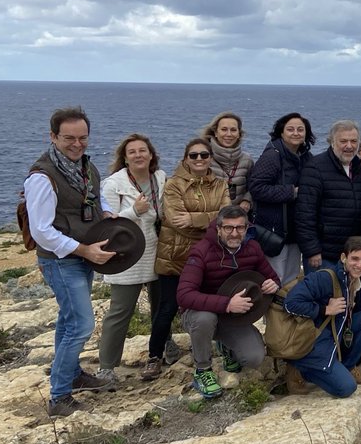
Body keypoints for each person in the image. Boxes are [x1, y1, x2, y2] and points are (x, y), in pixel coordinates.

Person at [25, 107, 117, 416]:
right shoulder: (42, 177)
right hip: (61, 259)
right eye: (69, 138)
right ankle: (59, 396)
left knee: (68, 319)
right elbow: (41, 231)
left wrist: (105, 211)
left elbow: (94, 194)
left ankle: (72, 373)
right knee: (81, 324)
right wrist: (84, 249)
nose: (77, 144)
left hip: (82, 255)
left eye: (83, 138)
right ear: (52, 137)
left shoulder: (84, 166)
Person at [146, 137, 229, 381]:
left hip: (210, 256)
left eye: (204, 155)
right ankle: (154, 355)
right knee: (168, 307)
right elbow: (174, 221)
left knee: (214, 302)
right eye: (194, 155)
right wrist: (211, 221)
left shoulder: (220, 184)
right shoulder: (173, 185)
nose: (199, 159)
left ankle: (216, 347)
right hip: (175, 256)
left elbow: (227, 217)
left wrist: (194, 219)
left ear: (211, 158)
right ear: (185, 159)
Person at [176, 205, 280, 398]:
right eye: (228, 228)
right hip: (199, 314)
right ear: (218, 229)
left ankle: (226, 347)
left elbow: (272, 277)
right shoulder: (201, 251)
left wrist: (272, 284)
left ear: (246, 229)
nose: (234, 233)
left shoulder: (253, 248)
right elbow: (184, 295)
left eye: (240, 228)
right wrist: (226, 304)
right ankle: (202, 370)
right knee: (205, 319)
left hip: (232, 318)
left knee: (254, 358)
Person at [283, 236, 361, 397]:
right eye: (354, 259)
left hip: (334, 337)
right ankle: (300, 369)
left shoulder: (356, 281)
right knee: (346, 388)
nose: (359, 265)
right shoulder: (325, 278)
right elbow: (290, 303)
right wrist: (324, 310)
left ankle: (348, 367)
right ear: (343, 257)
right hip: (313, 343)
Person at [97, 132, 166, 383]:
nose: (138, 155)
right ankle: (106, 366)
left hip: (158, 251)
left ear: (151, 155)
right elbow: (107, 223)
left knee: (161, 308)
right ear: (125, 158)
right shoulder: (113, 184)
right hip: (128, 256)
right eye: (132, 152)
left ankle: (162, 349)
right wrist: (134, 211)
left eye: (142, 150)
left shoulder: (160, 177)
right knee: (120, 311)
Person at [248, 113, 315, 284]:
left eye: (300, 129)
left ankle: (285, 311)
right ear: (281, 132)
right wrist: (291, 192)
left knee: (290, 281)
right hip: (274, 231)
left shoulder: (306, 157)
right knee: (273, 280)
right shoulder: (272, 156)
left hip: (295, 231)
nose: (296, 133)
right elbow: (256, 188)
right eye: (290, 129)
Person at [295, 120, 361, 272]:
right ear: (332, 142)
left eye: (353, 141)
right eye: (343, 141)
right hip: (323, 255)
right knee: (323, 295)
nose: (349, 146)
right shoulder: (315, 168)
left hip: (351, 253)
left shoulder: (360, 169)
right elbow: (304, 213)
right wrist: (312, 250)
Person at [202, 112, 253, 210]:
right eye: (224, 129)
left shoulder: (247, 160)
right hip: (207, 219)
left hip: (237, 219)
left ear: (239, 134)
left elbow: (254, 187)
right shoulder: (200, 157)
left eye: (233, 130)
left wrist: (247, 200)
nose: (228, 134)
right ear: (216, 133)